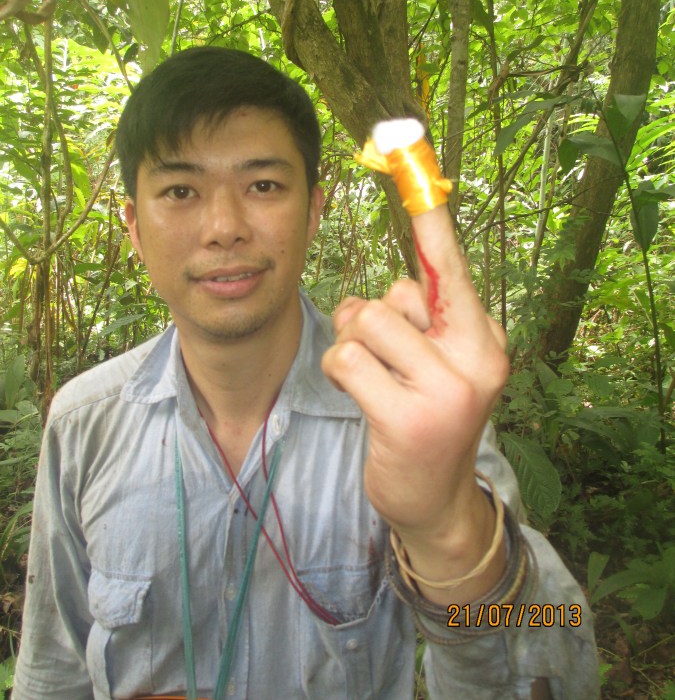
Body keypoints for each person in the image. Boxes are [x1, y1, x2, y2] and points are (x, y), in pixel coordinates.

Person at [13, 47, 599, 699]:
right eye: (180, 191)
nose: (224, 228)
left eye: (263, 186)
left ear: (314, 209)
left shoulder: (409, 414)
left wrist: (446, 534)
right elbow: (52, 671)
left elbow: (550, 635)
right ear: (133, 225)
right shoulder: (83, 424)